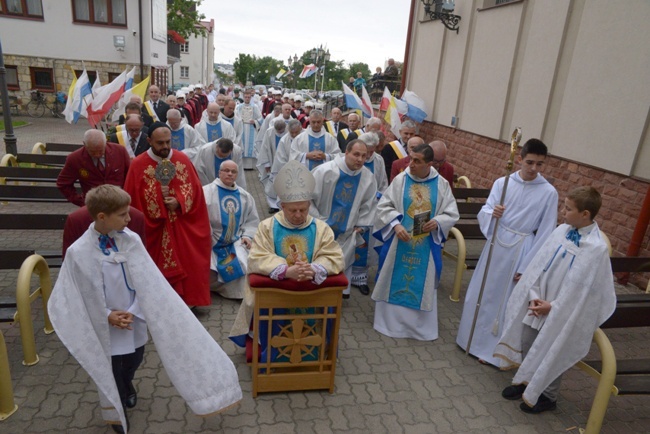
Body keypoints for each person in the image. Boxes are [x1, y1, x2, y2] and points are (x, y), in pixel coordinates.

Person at [49, 185, 242, 433]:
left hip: (133, 316)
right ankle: (118, 414)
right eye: (122, 215)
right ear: (102, 217)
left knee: (134, 359)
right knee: (113, 368)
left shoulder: (132, 240)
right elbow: (80, 293)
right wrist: (107, 314)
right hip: (107, 323)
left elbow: (149, 280)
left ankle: (128, 383)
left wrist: (135, 309)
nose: (129, 219)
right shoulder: (79, 252)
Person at [495, 187, 615, 413]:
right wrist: (535, 296)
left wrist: (554, 307)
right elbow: (540, 266)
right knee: (529, 341)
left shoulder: (596, 249)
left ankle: (548, 396)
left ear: (585, 214)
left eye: (568, 209)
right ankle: (526, 382)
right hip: (540, 302)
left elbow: (585, 291)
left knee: (553, 348)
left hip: (561, 310)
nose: (563, 212)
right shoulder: (561, 231)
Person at [456, 139, 559, 365]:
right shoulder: (502, 183)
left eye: (540, 164)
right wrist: (494, 212)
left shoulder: (548, 193)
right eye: (530, 162)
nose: (534, 169)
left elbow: (546, 232)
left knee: (507, 300)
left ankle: (494, 352)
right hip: (497, 245)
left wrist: (528, 267)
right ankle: (470, 340)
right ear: (520, 159)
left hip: (522, 249)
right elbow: (485, 210)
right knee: (484, 292)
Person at [229, 160, 345, 355]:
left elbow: (333, 254)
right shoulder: (267, 226)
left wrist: (315, 268)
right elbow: (257, 257)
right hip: (276, 296)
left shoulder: (320, 228)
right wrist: (285, 270)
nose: (299, 215)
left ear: (309, 205)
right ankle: (272, 354)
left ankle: (312, 354)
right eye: (293, 210)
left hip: (311, 295)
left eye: (303, 209)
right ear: (282, 205)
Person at [372, 144, 459, 340]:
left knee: (422, 279)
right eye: (411, 159)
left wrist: (438, 221)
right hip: (399, 242)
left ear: (429, 164)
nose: (411, 164)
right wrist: (395, 224)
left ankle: (419, 329)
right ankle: (389, 325)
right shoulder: (402, 180)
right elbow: (384, 205)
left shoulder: (441, 184)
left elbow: (452, 212)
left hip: (425, 245)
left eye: (417, 161)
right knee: (395, 276)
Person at [123, 123, 213, 307]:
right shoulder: (138, 164)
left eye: (167, 142)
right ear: (149, 141)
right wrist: (157, 198)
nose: (165, 147)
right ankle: (157, 304)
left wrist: (179, 201)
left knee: (189, 261)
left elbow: (194, 190)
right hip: (154, 228)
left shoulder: (182, 160)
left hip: (182, 225)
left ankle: (187, 302)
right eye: (160, 143)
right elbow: (132, 199)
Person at [311, 139, 377, 298]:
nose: (360, 159)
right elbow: (308, 199)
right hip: (322, 227)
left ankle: (341, 292)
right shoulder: (325, 171)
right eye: (356, 154)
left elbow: (369, 203)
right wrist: (318, 221)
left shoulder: (367, 177)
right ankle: (317, 293)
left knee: (344, 261)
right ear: (346, 153)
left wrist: (361, 225)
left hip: (348, 231)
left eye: (364, 156)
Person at [204, 160, 260, 299]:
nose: (230, 174)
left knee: (243, 263)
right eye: (226, 170)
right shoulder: (206, 192)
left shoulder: (244, 196)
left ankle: (235, 293)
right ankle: (213, 287)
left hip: (234, 240)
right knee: (208, 269)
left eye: (233, 171)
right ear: (219, 172)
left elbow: (251, 221)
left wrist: (247, 235)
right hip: (211, 241)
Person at [350, 132, 387, 294]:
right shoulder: (354, 160)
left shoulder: (378, 160)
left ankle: (361, 278)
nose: (370, 155)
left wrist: (380, 194)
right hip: (351, 206)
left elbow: (383, 183)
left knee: (365, 243)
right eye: (368, 151)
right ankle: (345, 275)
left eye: (372, 151)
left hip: (369, 208)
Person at [57, 129, 131, 207]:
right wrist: (81, 201)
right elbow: (63, 184)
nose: (97, 155)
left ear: (105, 142)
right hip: (93, 205)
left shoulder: (120, 151)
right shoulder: (75, 158)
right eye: (92, 151)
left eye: (100, 151)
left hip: (120, 203)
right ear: (84, 144)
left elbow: (131, 176)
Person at [256, 120, 287, 212]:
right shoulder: (269, 132)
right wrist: (266, 164)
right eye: (278, 131)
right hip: (272, 163)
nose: (280, 133)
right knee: (271, 185)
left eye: (281, 131)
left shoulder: (288, 133)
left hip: (284, 164)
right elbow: (264, 147)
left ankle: (283, 204)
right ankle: (273, 205)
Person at [235, 89, 264, 170]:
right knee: (242, 144)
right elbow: (235, 117)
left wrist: (254, 121)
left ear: (251, 98)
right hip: (242, 128)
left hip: (251, 128)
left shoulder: (255, 107)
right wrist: (239, 121)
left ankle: (250, 166)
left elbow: (261, 118)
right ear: (243, 97)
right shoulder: (238, 107)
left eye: (249, 97)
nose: (247, 98)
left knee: (251, 145)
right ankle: (242, 165)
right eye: (246, 97)